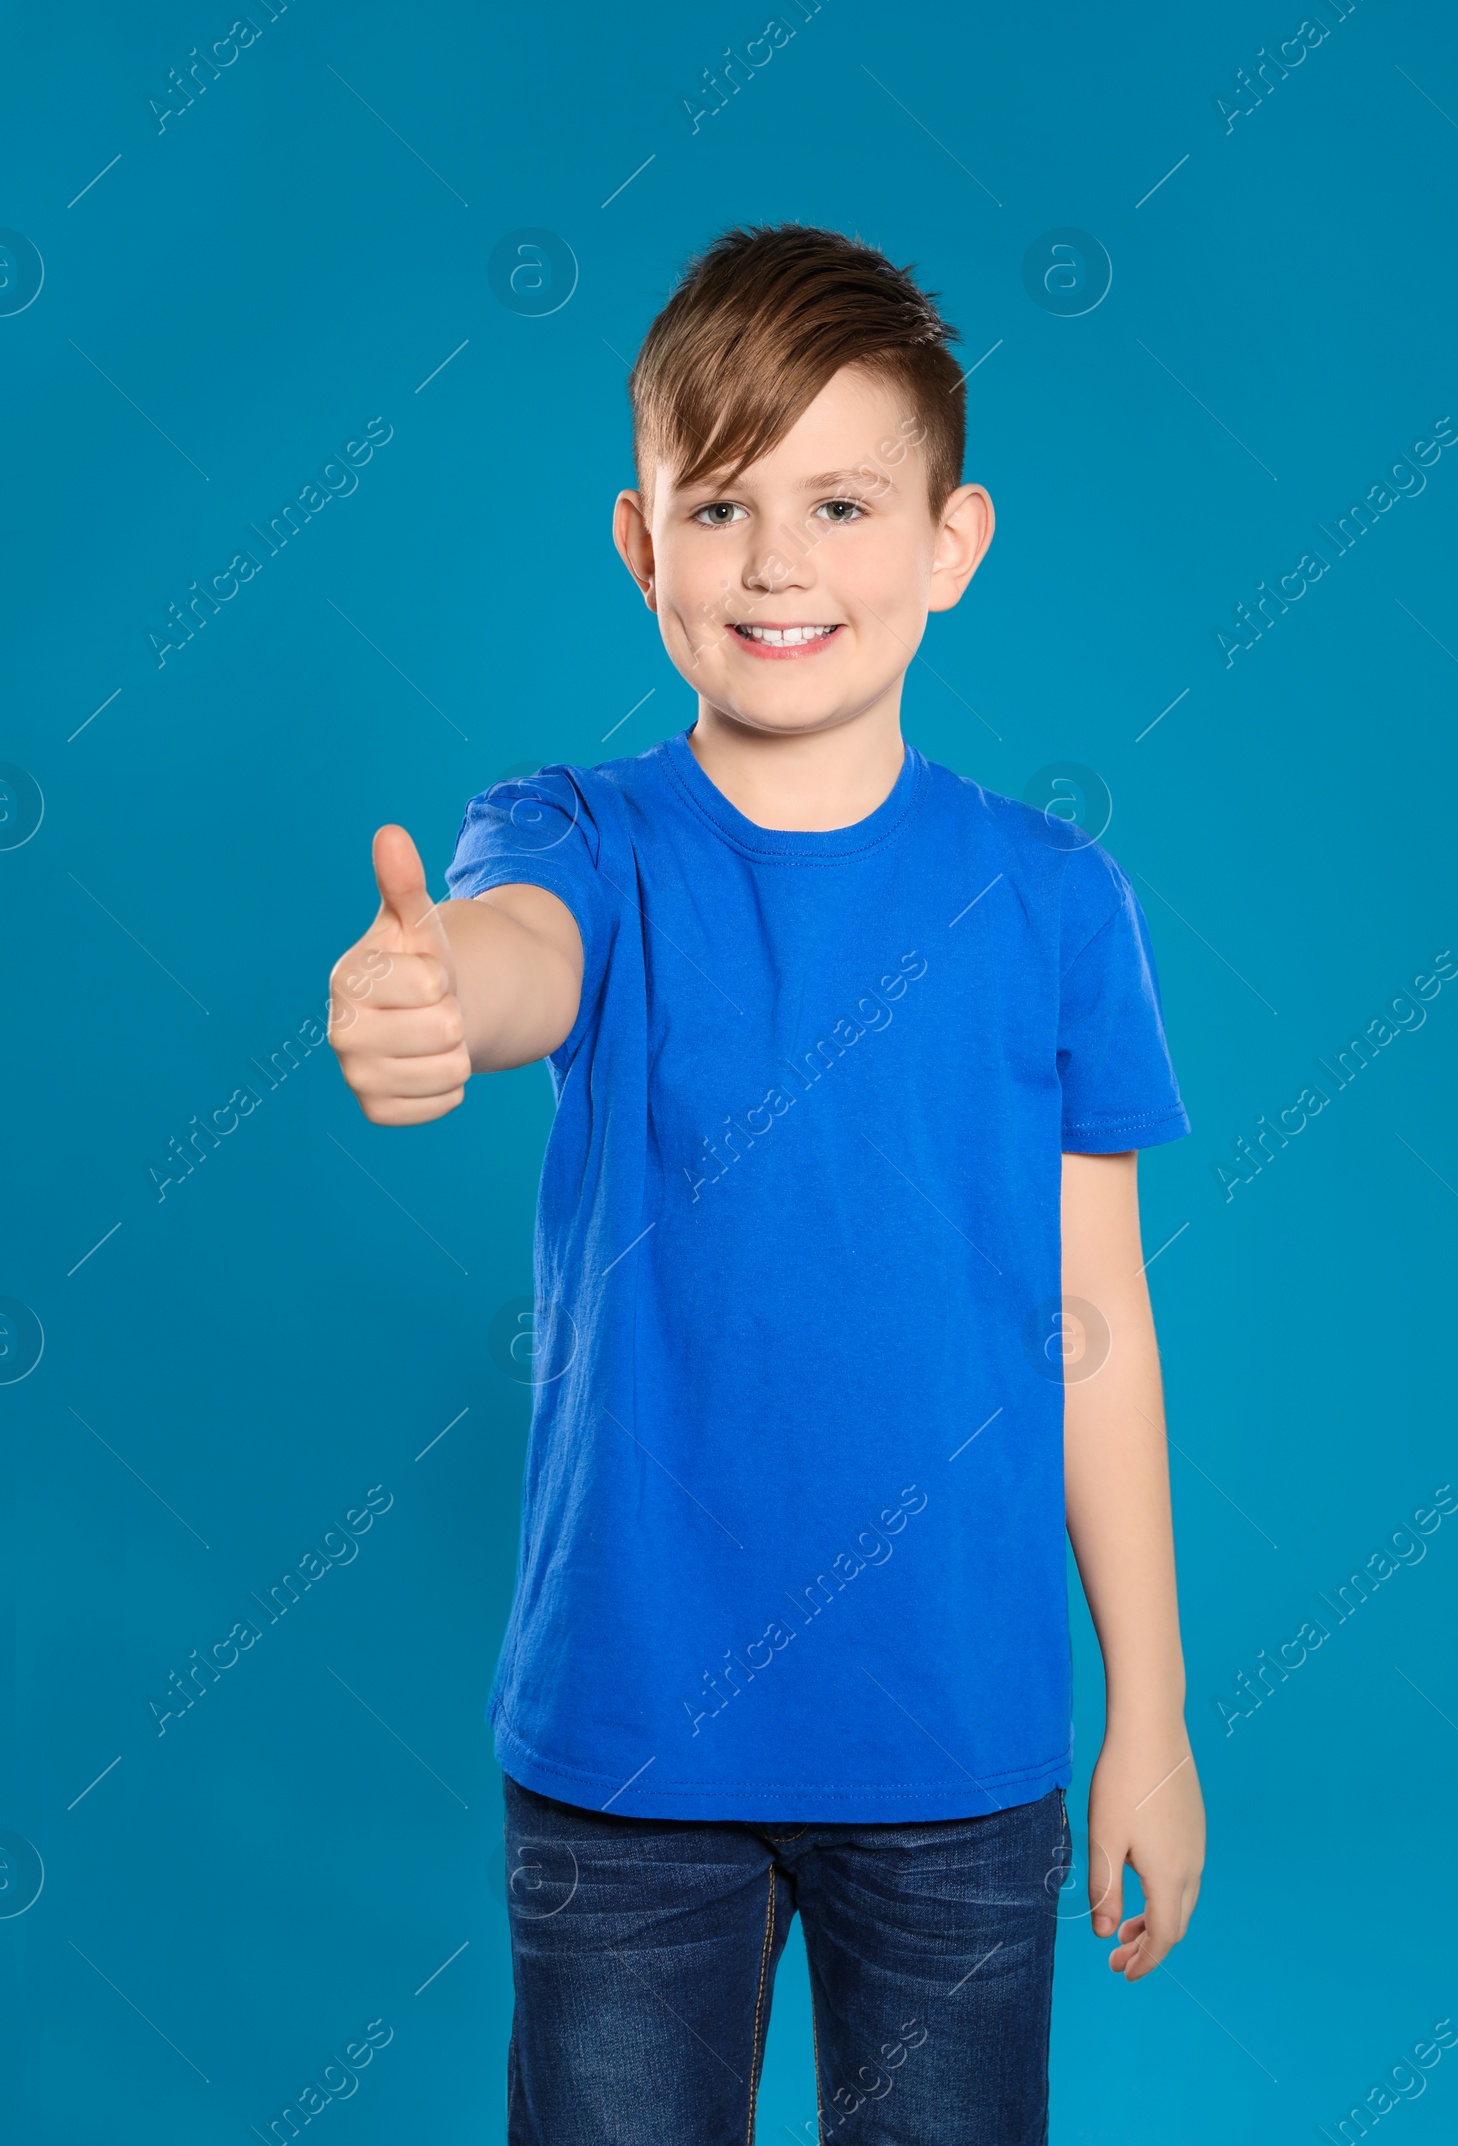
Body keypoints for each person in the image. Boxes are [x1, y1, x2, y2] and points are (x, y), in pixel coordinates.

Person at [328, 223, 1205, 2145]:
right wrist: (432, 997)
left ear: (951, 542)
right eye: (719, 506)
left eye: (840, 502)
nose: (780, 562)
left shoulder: (1057, 904)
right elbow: (510, 958)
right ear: (642, 545)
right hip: (627, 1760)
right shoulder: (576, 838)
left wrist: (1150, 1698)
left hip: (959, 1754)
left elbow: (1099, 1325)